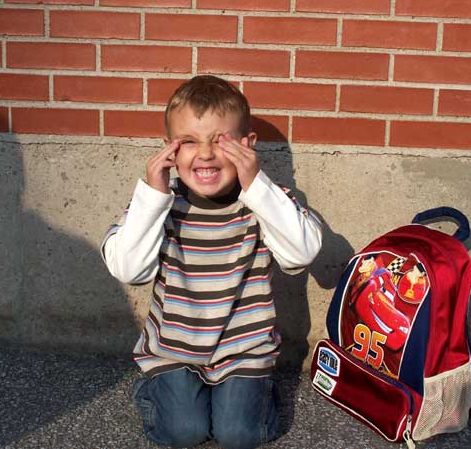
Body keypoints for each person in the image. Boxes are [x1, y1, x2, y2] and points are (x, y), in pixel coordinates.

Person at [101, 75, 323, 449]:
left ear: (248, 145)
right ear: (169, 150)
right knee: (184, 433)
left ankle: (254, 397)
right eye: (188, 141)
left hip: (244, 350)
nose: (204, 154)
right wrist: (153, 195)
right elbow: (128, 270)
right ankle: (157, 388)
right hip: (173, 350)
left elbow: (301, 254)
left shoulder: (269, 199)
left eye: (220, 141)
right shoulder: (158, 204)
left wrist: (258, 188)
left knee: (238, 436)